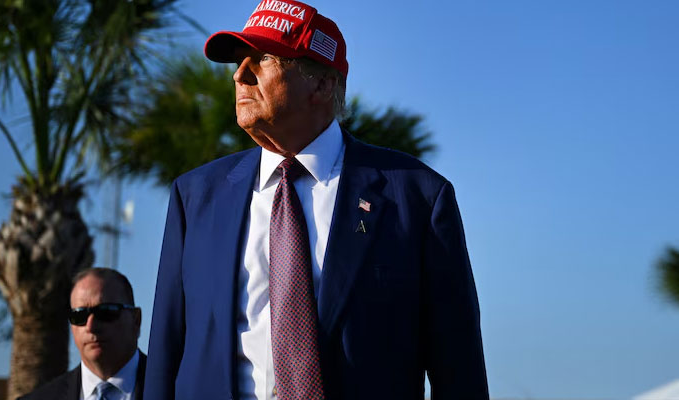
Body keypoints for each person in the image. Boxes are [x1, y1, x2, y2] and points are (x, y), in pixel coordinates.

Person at [144, 0, 488, 399]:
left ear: (322, 84)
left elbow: (458, 369)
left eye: (263, 59)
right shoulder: (195, 197)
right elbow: (166, 352)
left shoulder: (416, 197)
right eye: (239, 61)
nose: (240, 74)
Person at [21, 268, 146, 400]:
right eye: (79, 315)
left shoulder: (167, 388)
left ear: (136, 320)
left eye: (106, 311)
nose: (91, 326)